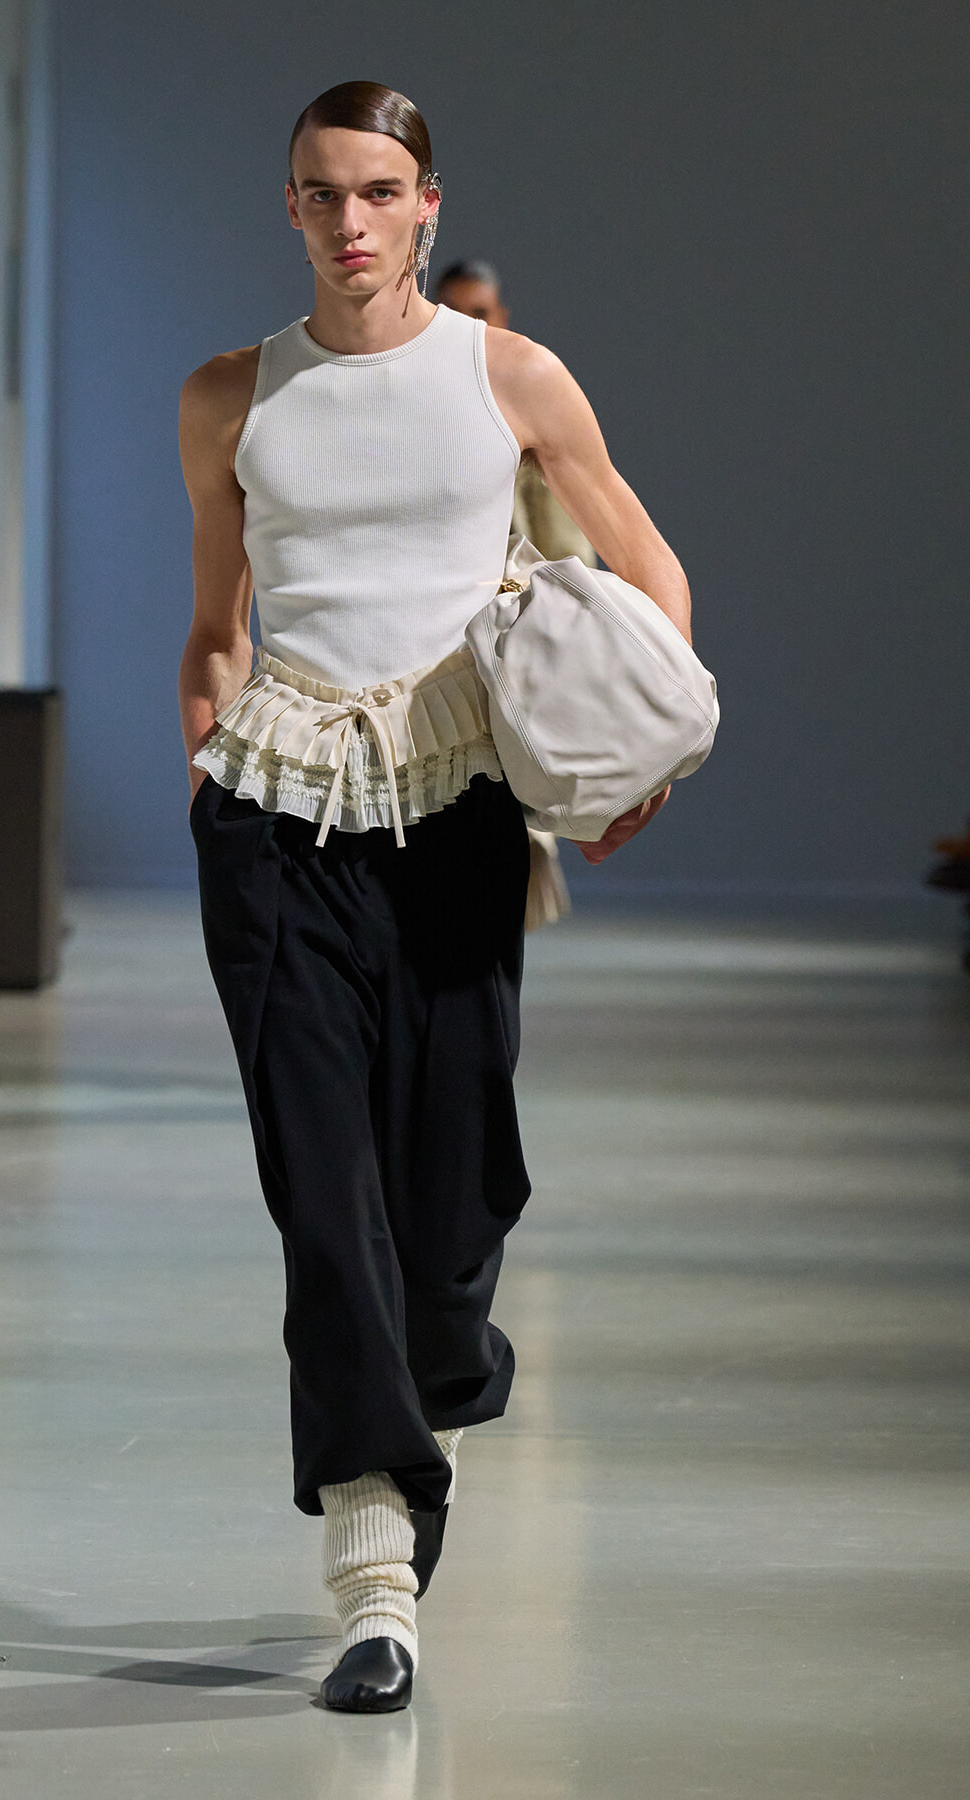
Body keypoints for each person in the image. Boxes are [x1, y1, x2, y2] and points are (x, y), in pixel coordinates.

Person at [178, 80, 688, 1714]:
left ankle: (449, 1368)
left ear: (426, 206)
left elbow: (643, 563)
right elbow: (215, 620)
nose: (349, 222)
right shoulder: (231, 398)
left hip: (460, 815)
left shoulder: (508, 377)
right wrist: (208, 753)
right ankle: (374, 1568)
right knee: (323, 1203)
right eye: (322, 192)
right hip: (277, 824)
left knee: (453, 1207)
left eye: (379, 191)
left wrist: (633, 759)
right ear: (291, 205)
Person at [435, 258, 598, 566]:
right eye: (453, 313)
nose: (468, 325)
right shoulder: (417, 403)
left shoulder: (533, 413)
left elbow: (567, 554)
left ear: (502, 317)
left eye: (480, 313)